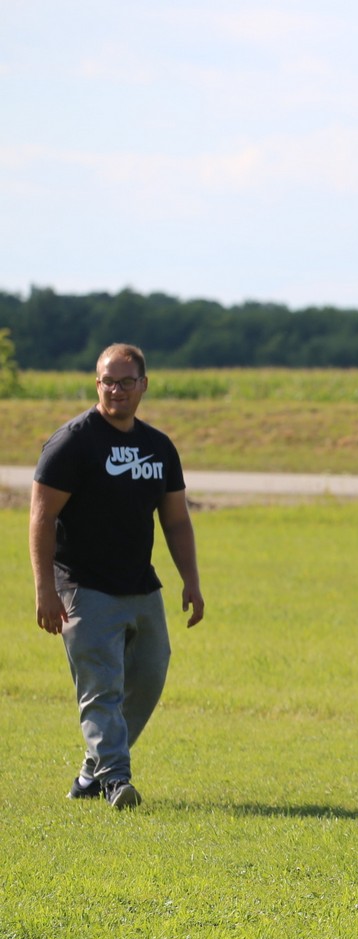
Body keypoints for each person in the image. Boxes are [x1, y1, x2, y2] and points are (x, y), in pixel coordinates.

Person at [30, 343, 205, 810]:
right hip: (82, 587)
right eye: (108, 381)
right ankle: (115, 779)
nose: (116, 390)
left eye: (126, 382)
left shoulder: (158, 447)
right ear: (96, 383)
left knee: (148, 678)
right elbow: (42, 517)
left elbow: (176, 520)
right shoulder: (72, 442)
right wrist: (45, 588)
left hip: (141, 585)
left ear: (143, 385)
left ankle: (91, 773)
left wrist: (191, 579)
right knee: (101, 686)